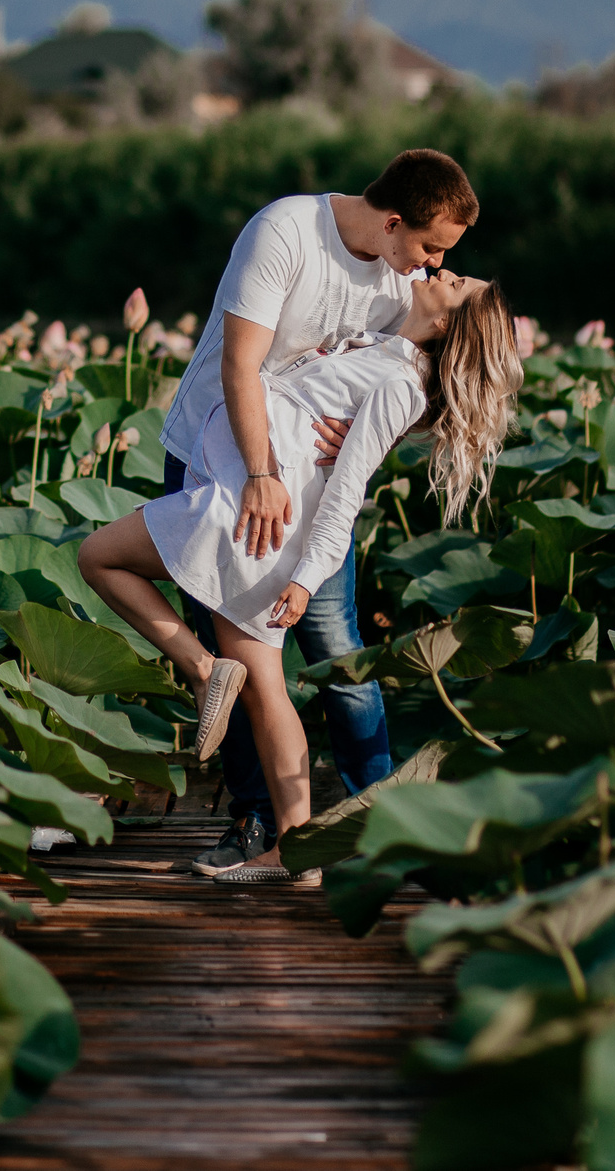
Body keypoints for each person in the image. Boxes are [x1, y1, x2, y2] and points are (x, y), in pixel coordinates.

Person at [80, 269, 521, 880]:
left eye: (456, 282)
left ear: (446, 323)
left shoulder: (401, 383)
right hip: (245, 506)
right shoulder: (383, 348)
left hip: (252, 516)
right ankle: (296, 852)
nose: (443, 271)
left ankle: (209, 674)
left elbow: (347, 493)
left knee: (98, 557)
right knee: (265, 690)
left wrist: (308, 579)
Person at [153, 148, 480, 876]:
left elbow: (421, 377)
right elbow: (242, 365)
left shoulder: (407, 282)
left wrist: (364, 442)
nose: (433, 266)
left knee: (338, 645)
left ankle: (380, 825)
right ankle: (258, 820)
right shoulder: (286, 232)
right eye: (431, 247)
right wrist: (263, 469)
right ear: (394, 222)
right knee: (227, 642)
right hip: (214, 451)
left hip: (307, 487)